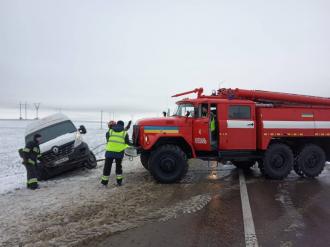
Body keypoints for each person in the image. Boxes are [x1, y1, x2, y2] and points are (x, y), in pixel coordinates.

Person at [101, 120, 131, 186]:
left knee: (107, 167)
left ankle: (104, 183)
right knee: (118, 167)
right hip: (119, 153)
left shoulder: (110, 131)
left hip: (109, 152)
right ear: (123, 126)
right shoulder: (124, 133)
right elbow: (127, 143)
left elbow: (108, 139)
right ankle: (119, 182)